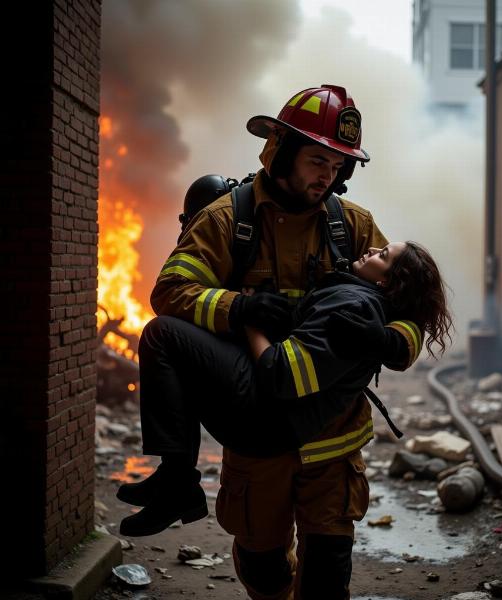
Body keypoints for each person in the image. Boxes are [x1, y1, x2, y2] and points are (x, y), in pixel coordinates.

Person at [119, 85, 424, 600]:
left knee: (328, 575)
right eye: (316, 160)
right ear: (280, 150)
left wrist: (391, 341)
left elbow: (414, 304)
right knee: (263, 571)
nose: (327, 175)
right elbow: (170, 291)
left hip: (333, 440)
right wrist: (238, 308)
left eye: (338, 165)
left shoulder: (352, 226)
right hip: (259, 434)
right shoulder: (227, 220)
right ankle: (177, 477)